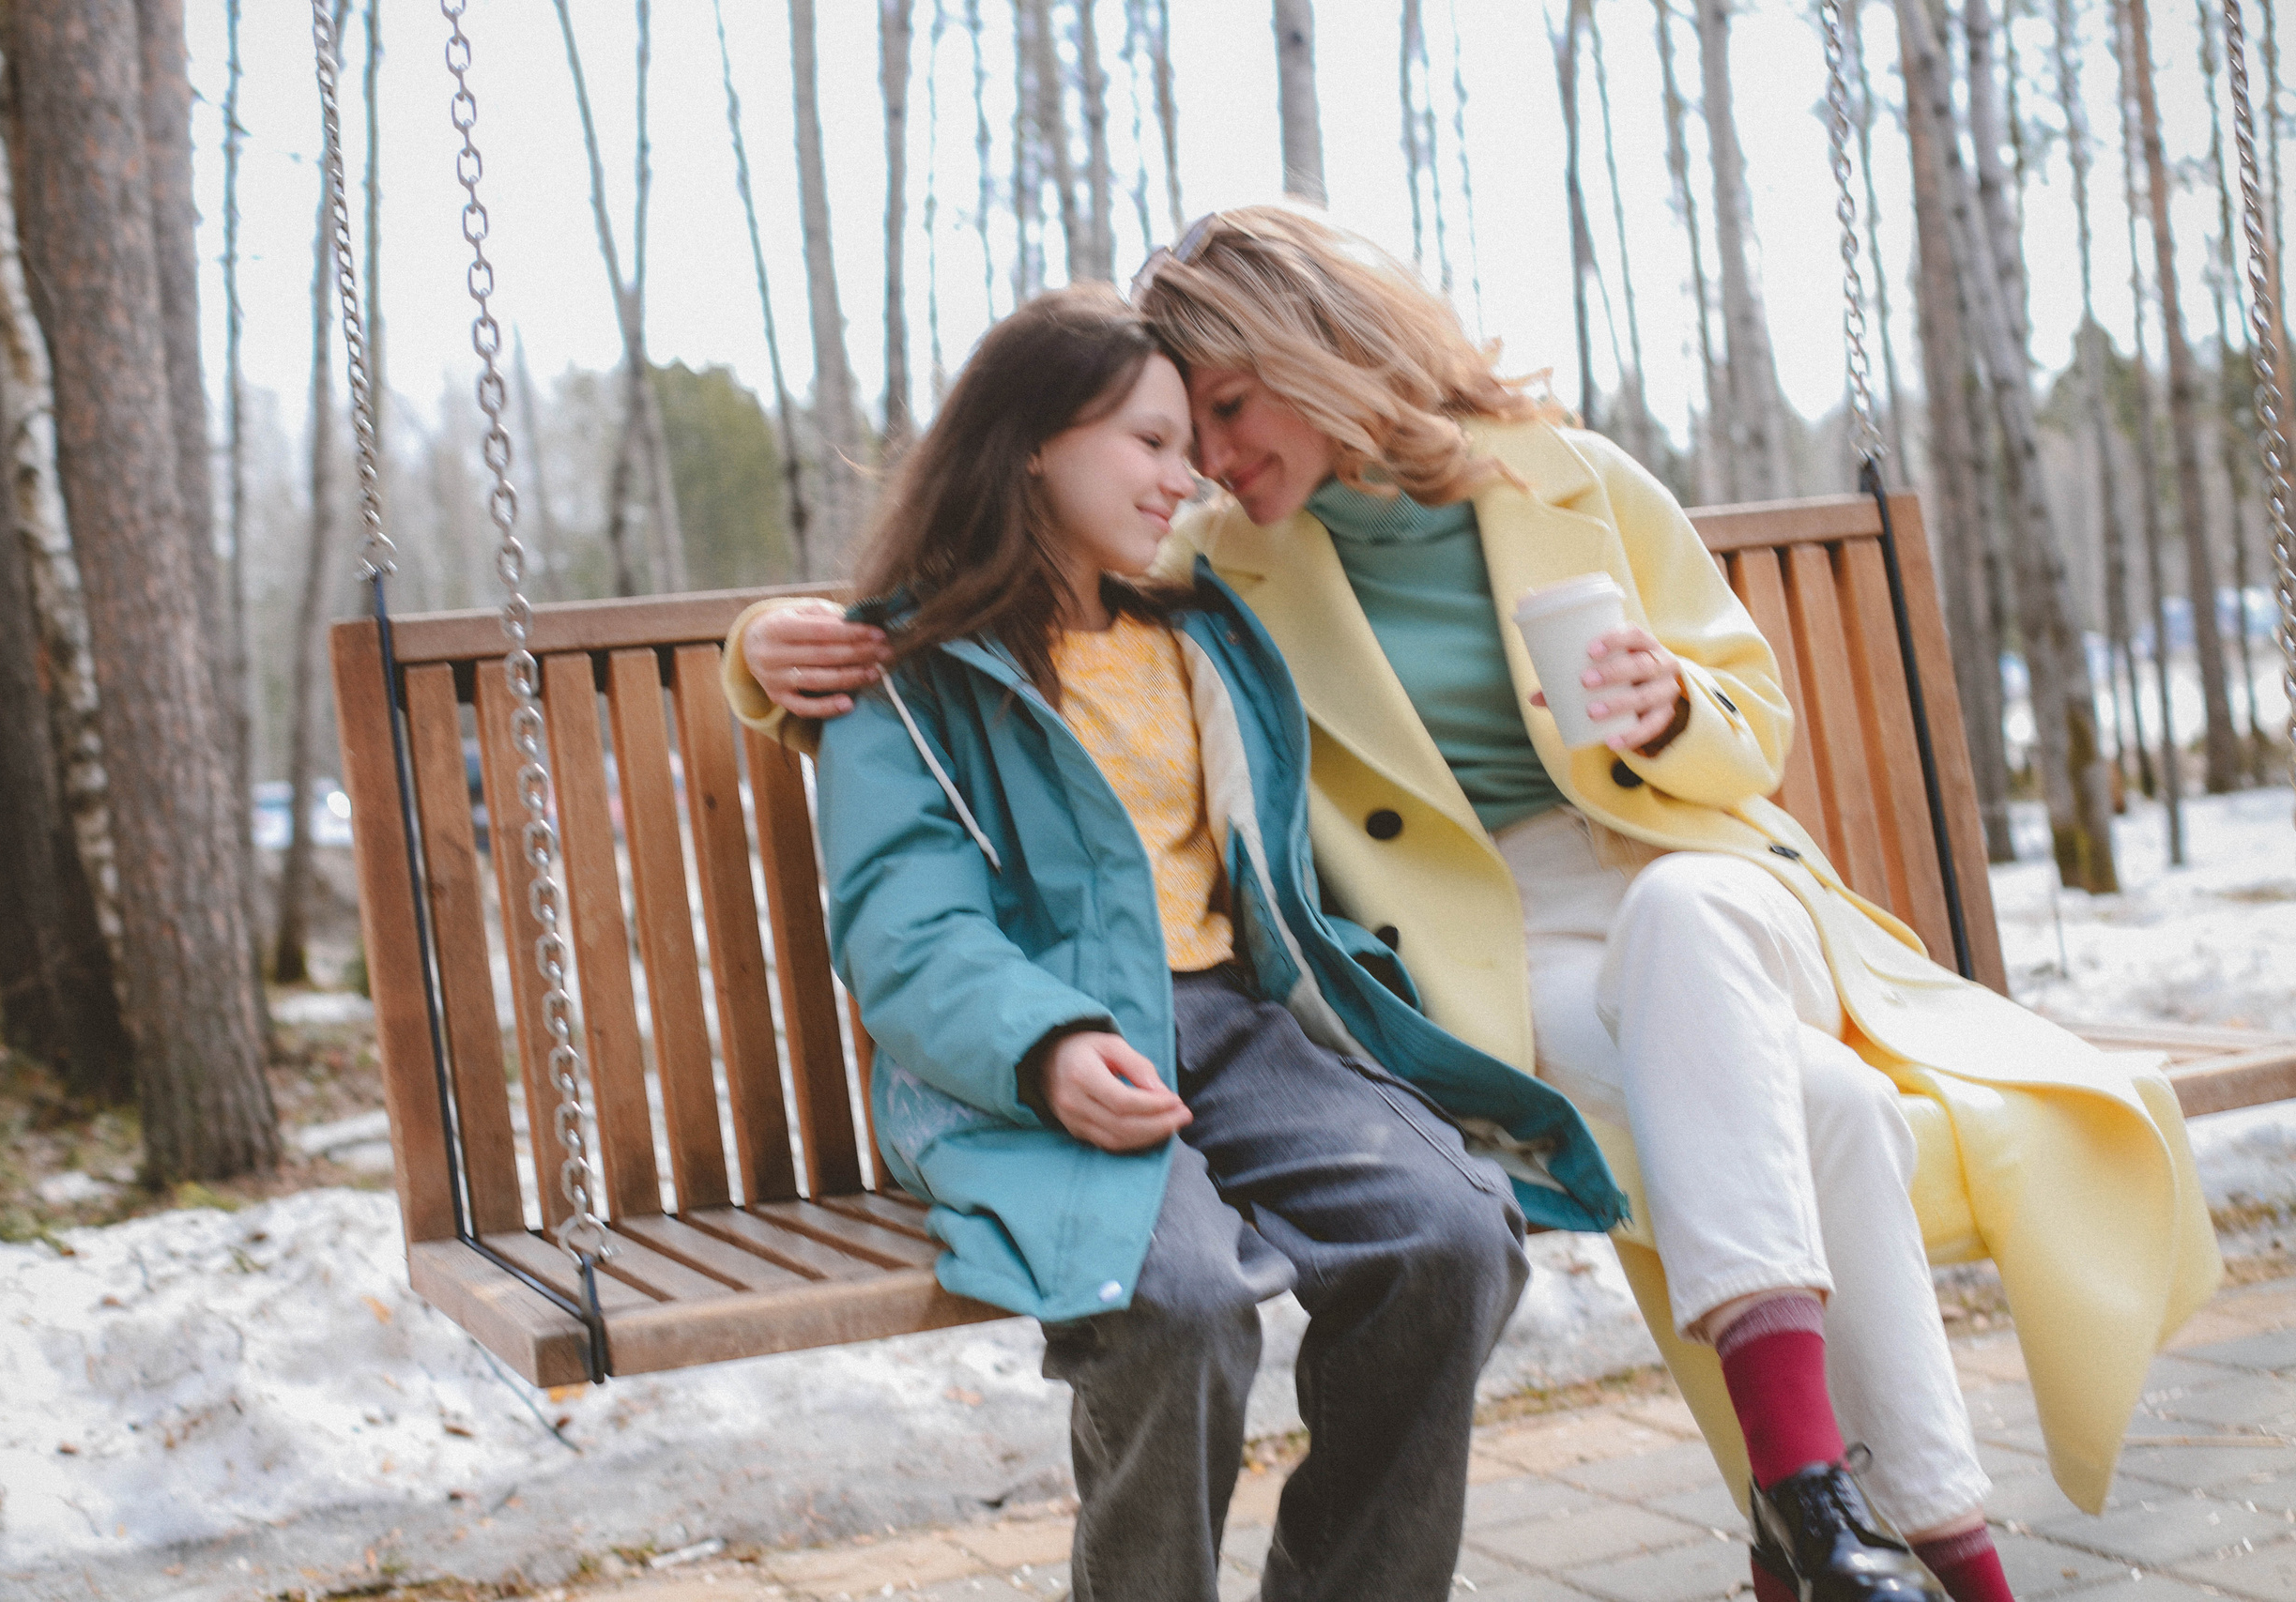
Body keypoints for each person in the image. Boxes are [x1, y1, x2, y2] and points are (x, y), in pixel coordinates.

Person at [731, 206, 2221, 1602]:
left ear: (1320, 348)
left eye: (1228, 413)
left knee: (1601, 1051)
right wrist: (763, 650)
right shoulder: (1225, 560)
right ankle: (1890, 1539)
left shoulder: (1540, 489)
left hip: (1678, 885)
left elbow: (1749, 719)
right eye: (1178, 431)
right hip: (1420, 956)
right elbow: (981, 603)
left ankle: (1803, 1500)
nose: (1205, 462)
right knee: (1817, 1112)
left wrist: (1671, 707)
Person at [792, 282, 1624, 1602]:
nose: (1190, 477)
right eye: (1151, 440)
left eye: (1193, 441)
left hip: (1232, 1029)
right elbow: (906, 925)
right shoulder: (910, 676)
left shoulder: (1202, 631)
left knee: (1449, 1233)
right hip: (1023, 1060)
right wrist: (1047, 1045)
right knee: (1174, 1303)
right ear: (1029, 445)